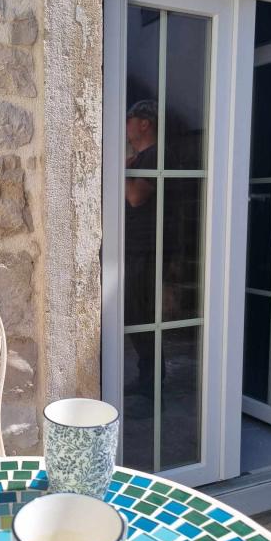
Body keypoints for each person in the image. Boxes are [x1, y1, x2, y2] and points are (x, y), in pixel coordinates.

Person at [124, 100, 158, 399]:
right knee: (136, 312)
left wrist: (121, 170)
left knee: (141, 313)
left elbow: (135, 197)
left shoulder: (155, 155)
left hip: (146, 247)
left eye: (129, 119)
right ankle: (148, 378)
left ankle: (151, 383)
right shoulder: (142, 158)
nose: (125, 125)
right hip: (136, 245)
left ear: (144, 123)